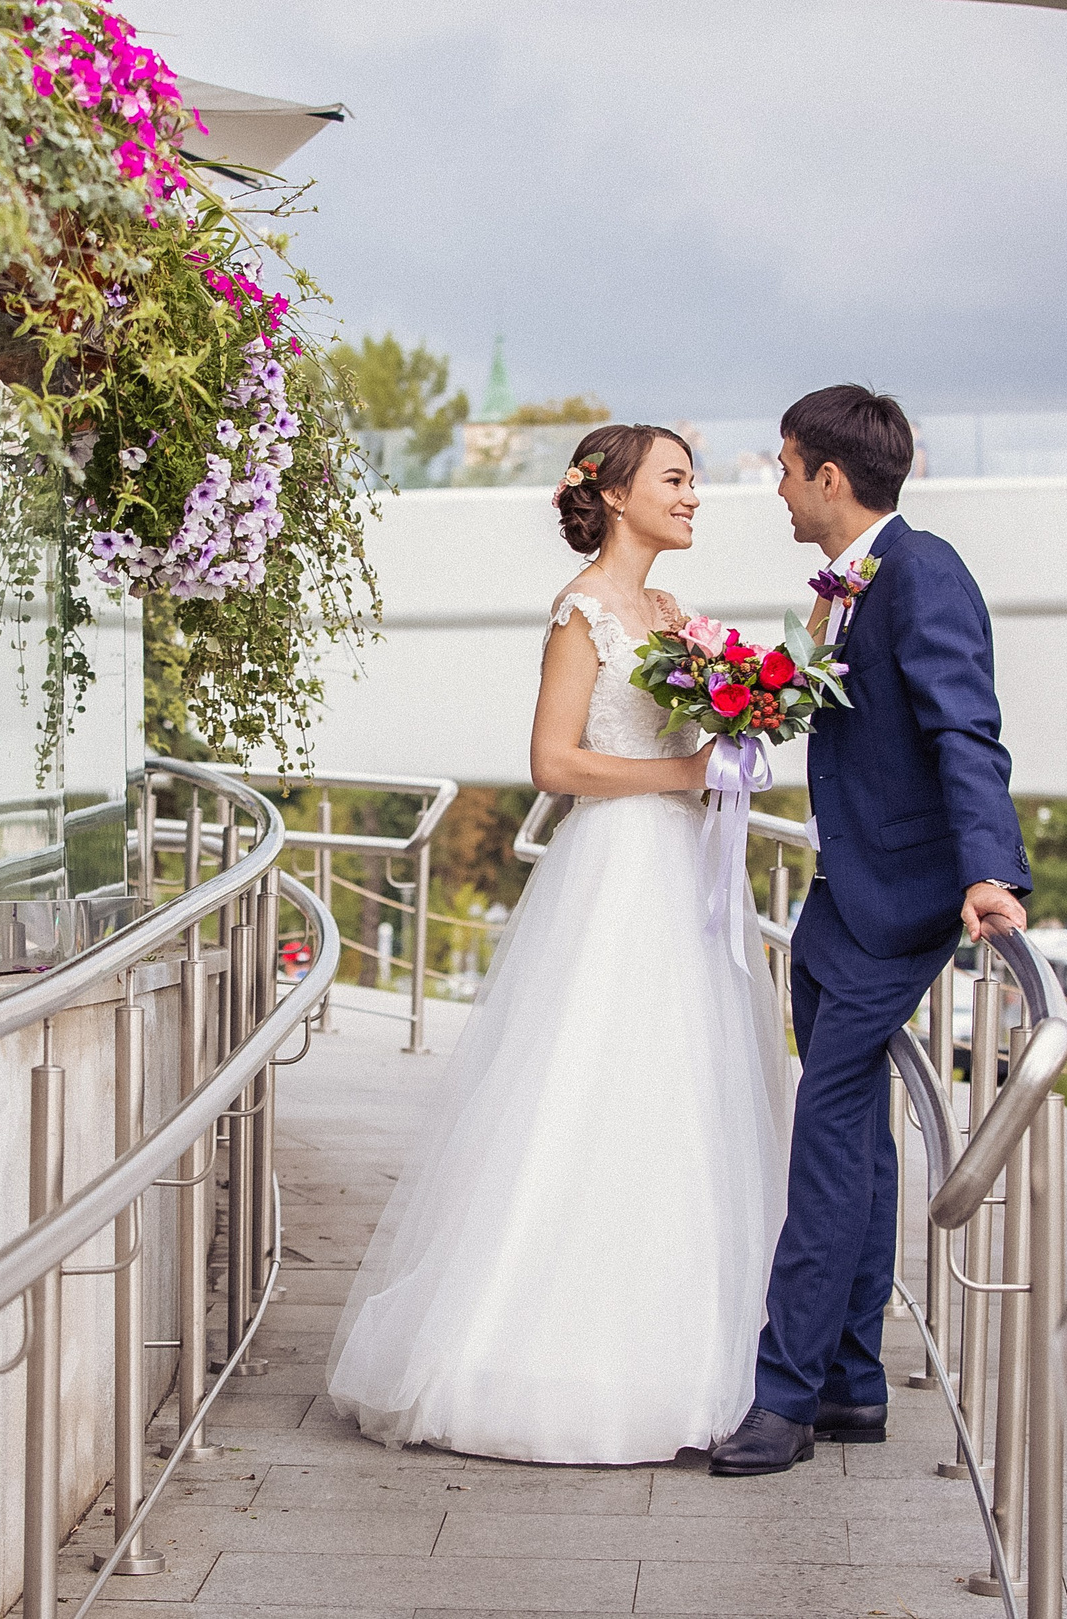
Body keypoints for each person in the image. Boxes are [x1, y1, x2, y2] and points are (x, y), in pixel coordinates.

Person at [326, 424, 793, 1464]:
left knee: (683, 1101)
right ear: (618, 496)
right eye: (676, 481)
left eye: (693, 482)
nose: (694, 497)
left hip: (686, 876)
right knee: (594, 1088)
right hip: (619, 871)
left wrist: (739, 739)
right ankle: (543, 1350)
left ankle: (686, 1347)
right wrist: (689, 774)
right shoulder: (582, 611)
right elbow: (552, 759)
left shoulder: (674, 616)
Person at [711, 385, 1031, 1476]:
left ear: (830, 478)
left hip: (898, 905)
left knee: (827, 1131)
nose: (779, 484)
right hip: (840, 896)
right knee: (855, 1140)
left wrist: (988, 872)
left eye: (787, 464)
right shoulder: (847, 586)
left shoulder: (923, 571)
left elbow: (965, 729)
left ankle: (783, 1398)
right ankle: (849, 1384)